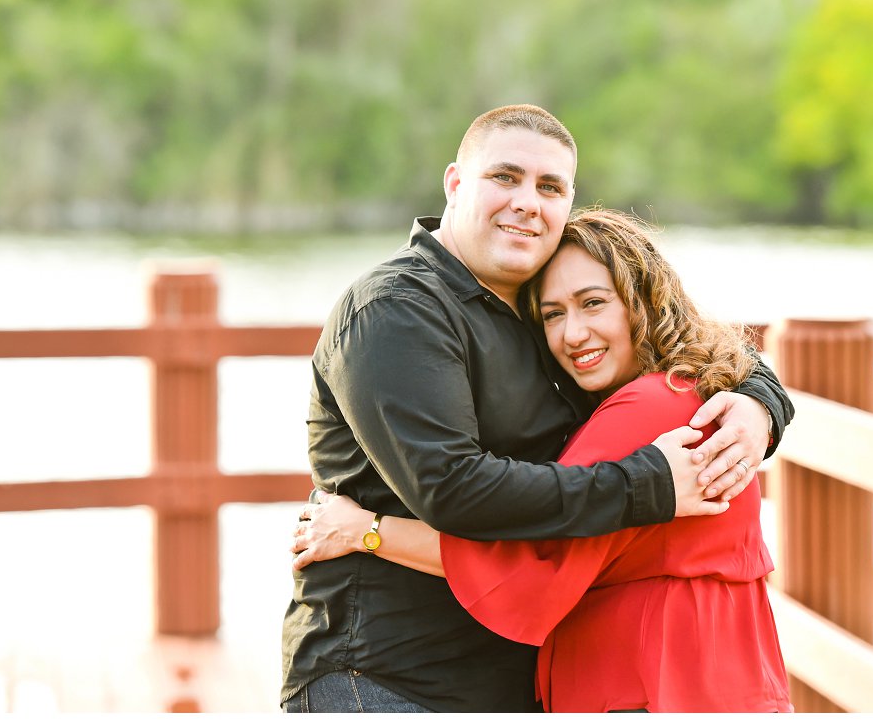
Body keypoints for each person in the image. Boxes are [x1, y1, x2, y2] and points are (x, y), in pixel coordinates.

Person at [279, 105, 794, 713]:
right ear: (454, 183)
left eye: (549, 187)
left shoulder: (545, 306)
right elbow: (452, 490)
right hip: (388, 678)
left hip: (516, 680)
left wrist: (761, 404)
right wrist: (646, 483)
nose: (527, 201)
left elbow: (690, 348)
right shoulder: (395, 310)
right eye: (505, 177)